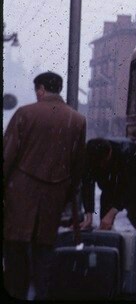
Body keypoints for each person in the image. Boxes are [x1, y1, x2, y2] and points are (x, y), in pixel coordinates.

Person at [3, 71, 87, 300]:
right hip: (53, 198)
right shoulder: (77, 120)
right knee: (44, 257)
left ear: (40, 89)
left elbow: (7, 156)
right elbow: (78, 166)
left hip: (20, 198)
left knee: (16, 255)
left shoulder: (25, 114)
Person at [79, 138, 136, 287]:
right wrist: (88, 213)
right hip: (111, 191)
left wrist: (112, 212)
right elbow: (87, 182)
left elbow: (131, 189)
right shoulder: (91, 157)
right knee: (104, 231)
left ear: (109, 154)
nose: (100, 167)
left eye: (102, 164)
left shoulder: (130, 154)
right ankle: (107, 271)